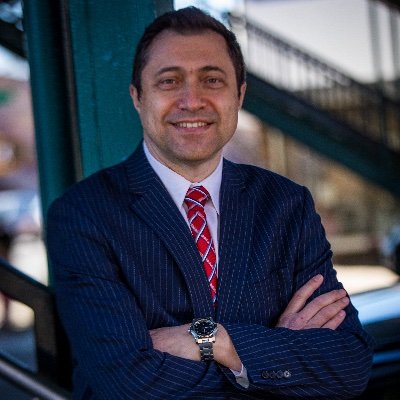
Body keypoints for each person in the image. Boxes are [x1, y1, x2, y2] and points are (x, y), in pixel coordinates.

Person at [47, 7, 374, 399]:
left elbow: (349, 365)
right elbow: (128, 384)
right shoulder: (83, 214)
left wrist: (220, 342)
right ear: (138, 97)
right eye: (169, 81)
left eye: (212, 80)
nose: (191, 100)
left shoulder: (287, 205)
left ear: (239, 95)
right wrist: (268, 359)